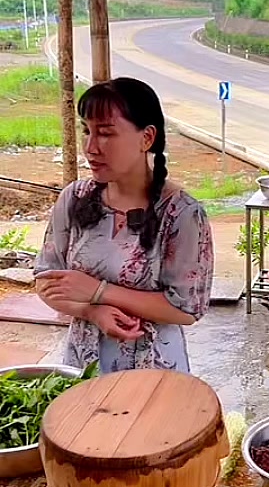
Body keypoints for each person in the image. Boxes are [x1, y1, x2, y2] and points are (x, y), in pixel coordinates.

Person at [34, 77, 213, 373]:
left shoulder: (181, 213)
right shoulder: (74, 199)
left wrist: (98, 290)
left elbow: (186, 308)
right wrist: (92, 311)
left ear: (146, 138)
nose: (91, 147)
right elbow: (46, 282)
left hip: (154, 369)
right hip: (83, 364)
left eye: (105, 133)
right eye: (86, 131)